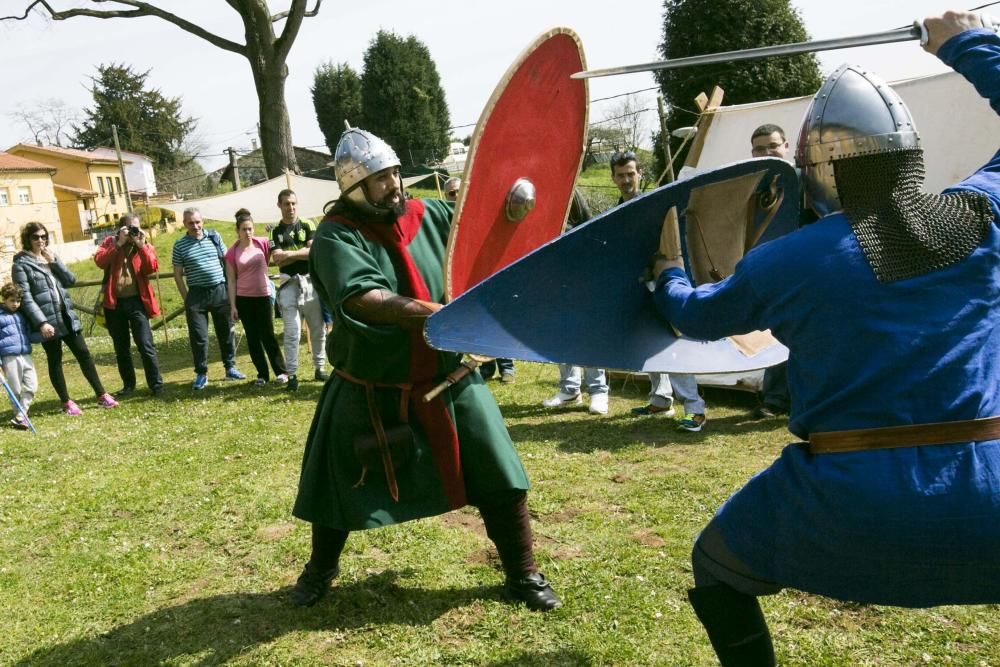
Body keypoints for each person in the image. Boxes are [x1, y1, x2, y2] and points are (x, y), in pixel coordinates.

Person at [652, 12, 1000, 665]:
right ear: (906, 149)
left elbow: (693, 318)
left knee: (717, 563)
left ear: (810, 166)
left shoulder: (788, 261)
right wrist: (961, 43)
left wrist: (666, 274)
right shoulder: (979, 220)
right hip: (988, 494)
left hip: (845, 499)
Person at [290, 126, 560, 613]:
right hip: (369, 384)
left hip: (450, 375)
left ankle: (523, 572)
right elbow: (364, 298)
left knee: (501, 474)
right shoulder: (336, 235)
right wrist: (439, 315)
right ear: (354, 188)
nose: (394, 184)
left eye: (395, 173)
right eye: (380, 179)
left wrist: (520, 204)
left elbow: (487, 232)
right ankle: (320, 570)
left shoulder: (432, 213)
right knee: (338, 486)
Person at [610, 151, 706, 430]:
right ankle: (661, 399)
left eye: (631, 173)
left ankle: (695, 409)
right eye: (621, 175)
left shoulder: (657, 206)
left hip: (664, 284)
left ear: (640, 174)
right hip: (637, 285)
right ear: (613, 178)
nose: (627, 180)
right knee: (647, 342)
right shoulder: (616, 210)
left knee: (672, 345)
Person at [12, 222, 118, 414]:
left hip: (66, 316)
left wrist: (55, 262)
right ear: (27, 239)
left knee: (84, 354)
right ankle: (66, 402)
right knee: (55, 360)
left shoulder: (50, 257)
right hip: (47, 321)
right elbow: (25, 297)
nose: (40, 241)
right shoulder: (21, 265)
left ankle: (102, 394)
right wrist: (41, 322)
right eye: (36, 237)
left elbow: (70, 280)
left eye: (44, 236)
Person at [541, 189, 610, 414]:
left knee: (587, 334)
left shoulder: (571, 194)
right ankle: (570, 389)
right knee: (562, 333)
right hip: (554, 278)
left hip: (580, 277)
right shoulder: (539, 195)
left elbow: (591, 233)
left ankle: (598, 391)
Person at [171, 207, 245, 390]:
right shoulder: (179, 245)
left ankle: (230, 368)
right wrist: (186, 297)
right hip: (196, 296)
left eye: (198, 222)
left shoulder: (215, 237)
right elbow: (178, 275)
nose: (195, 226)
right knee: (199, 337)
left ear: (202, 221)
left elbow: (228, 263)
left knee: (226, 332)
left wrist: (231, 290)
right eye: (191, 223)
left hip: (220, 291)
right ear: (184, 224)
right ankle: (201, 373)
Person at [93, 213, 164, 398]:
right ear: (121, 228)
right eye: (131, 228)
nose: (135, 231)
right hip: (114, 303)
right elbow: (100, 261)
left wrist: (141, 246)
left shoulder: (142, 243)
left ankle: (156, 384)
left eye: (137, 227)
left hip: (136, 302)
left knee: (145, 344)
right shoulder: (110, 242)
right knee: (121, 347)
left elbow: (152, 267)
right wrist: (119, 243)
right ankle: (128, 385)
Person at [749, 125, 792, 419]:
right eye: (760, 148)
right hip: (771, 270)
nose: (767, 153)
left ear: (786, 146)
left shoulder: (807, 181)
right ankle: (775, 399)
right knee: (775, 336)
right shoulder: (749, 186)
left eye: (772, 146)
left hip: (806, 268)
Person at [271, 189, 328, 391]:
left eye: (293, 203)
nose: (290, 207)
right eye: (286, 204)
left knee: (317, 328)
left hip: (310, 283)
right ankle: (292, 373)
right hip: (288, 285)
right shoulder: (275, 231)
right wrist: (297, 253)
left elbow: (313, 252)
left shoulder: (308, 224)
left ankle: (319, 367)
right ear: (279, 205)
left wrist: (288, 253)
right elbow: (277, 258)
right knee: (292, 332)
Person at [225, 208, 288, 386]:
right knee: (252, 338)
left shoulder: (263, 243)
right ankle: (262, 374)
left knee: (267, 335)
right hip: (243, 298)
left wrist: (272, 231)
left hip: (264, 296)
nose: (248, 232)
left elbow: (277, 248)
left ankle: (281, 372)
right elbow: (231, 280)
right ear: (237, 231)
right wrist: (233, 306)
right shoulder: (232, 252)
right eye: (244, 229)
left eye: (250, 228)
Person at [0, 282, 38, 429]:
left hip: (25, 354)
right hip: (9, 356)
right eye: (12, 301)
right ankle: (20, 416)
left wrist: (43, 335)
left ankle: (21, 414)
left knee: (32, 385)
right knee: (15, 389)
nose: (15, 304)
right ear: (4, 299)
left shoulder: (22, 315)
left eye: (18, 301)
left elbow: (28, 335)